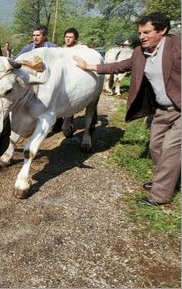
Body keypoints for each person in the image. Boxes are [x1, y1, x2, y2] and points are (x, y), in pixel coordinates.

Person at [74, 12, 180, 206]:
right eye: (140, 32)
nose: (142, 36)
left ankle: (161, 195)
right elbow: (118, 66)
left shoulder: (177, 46)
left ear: (163, 30)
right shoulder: (140, 53)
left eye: (146, 32)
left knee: (171, 149)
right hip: (163, 110)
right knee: (155, 146)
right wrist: (88, 66)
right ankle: (164, 179)